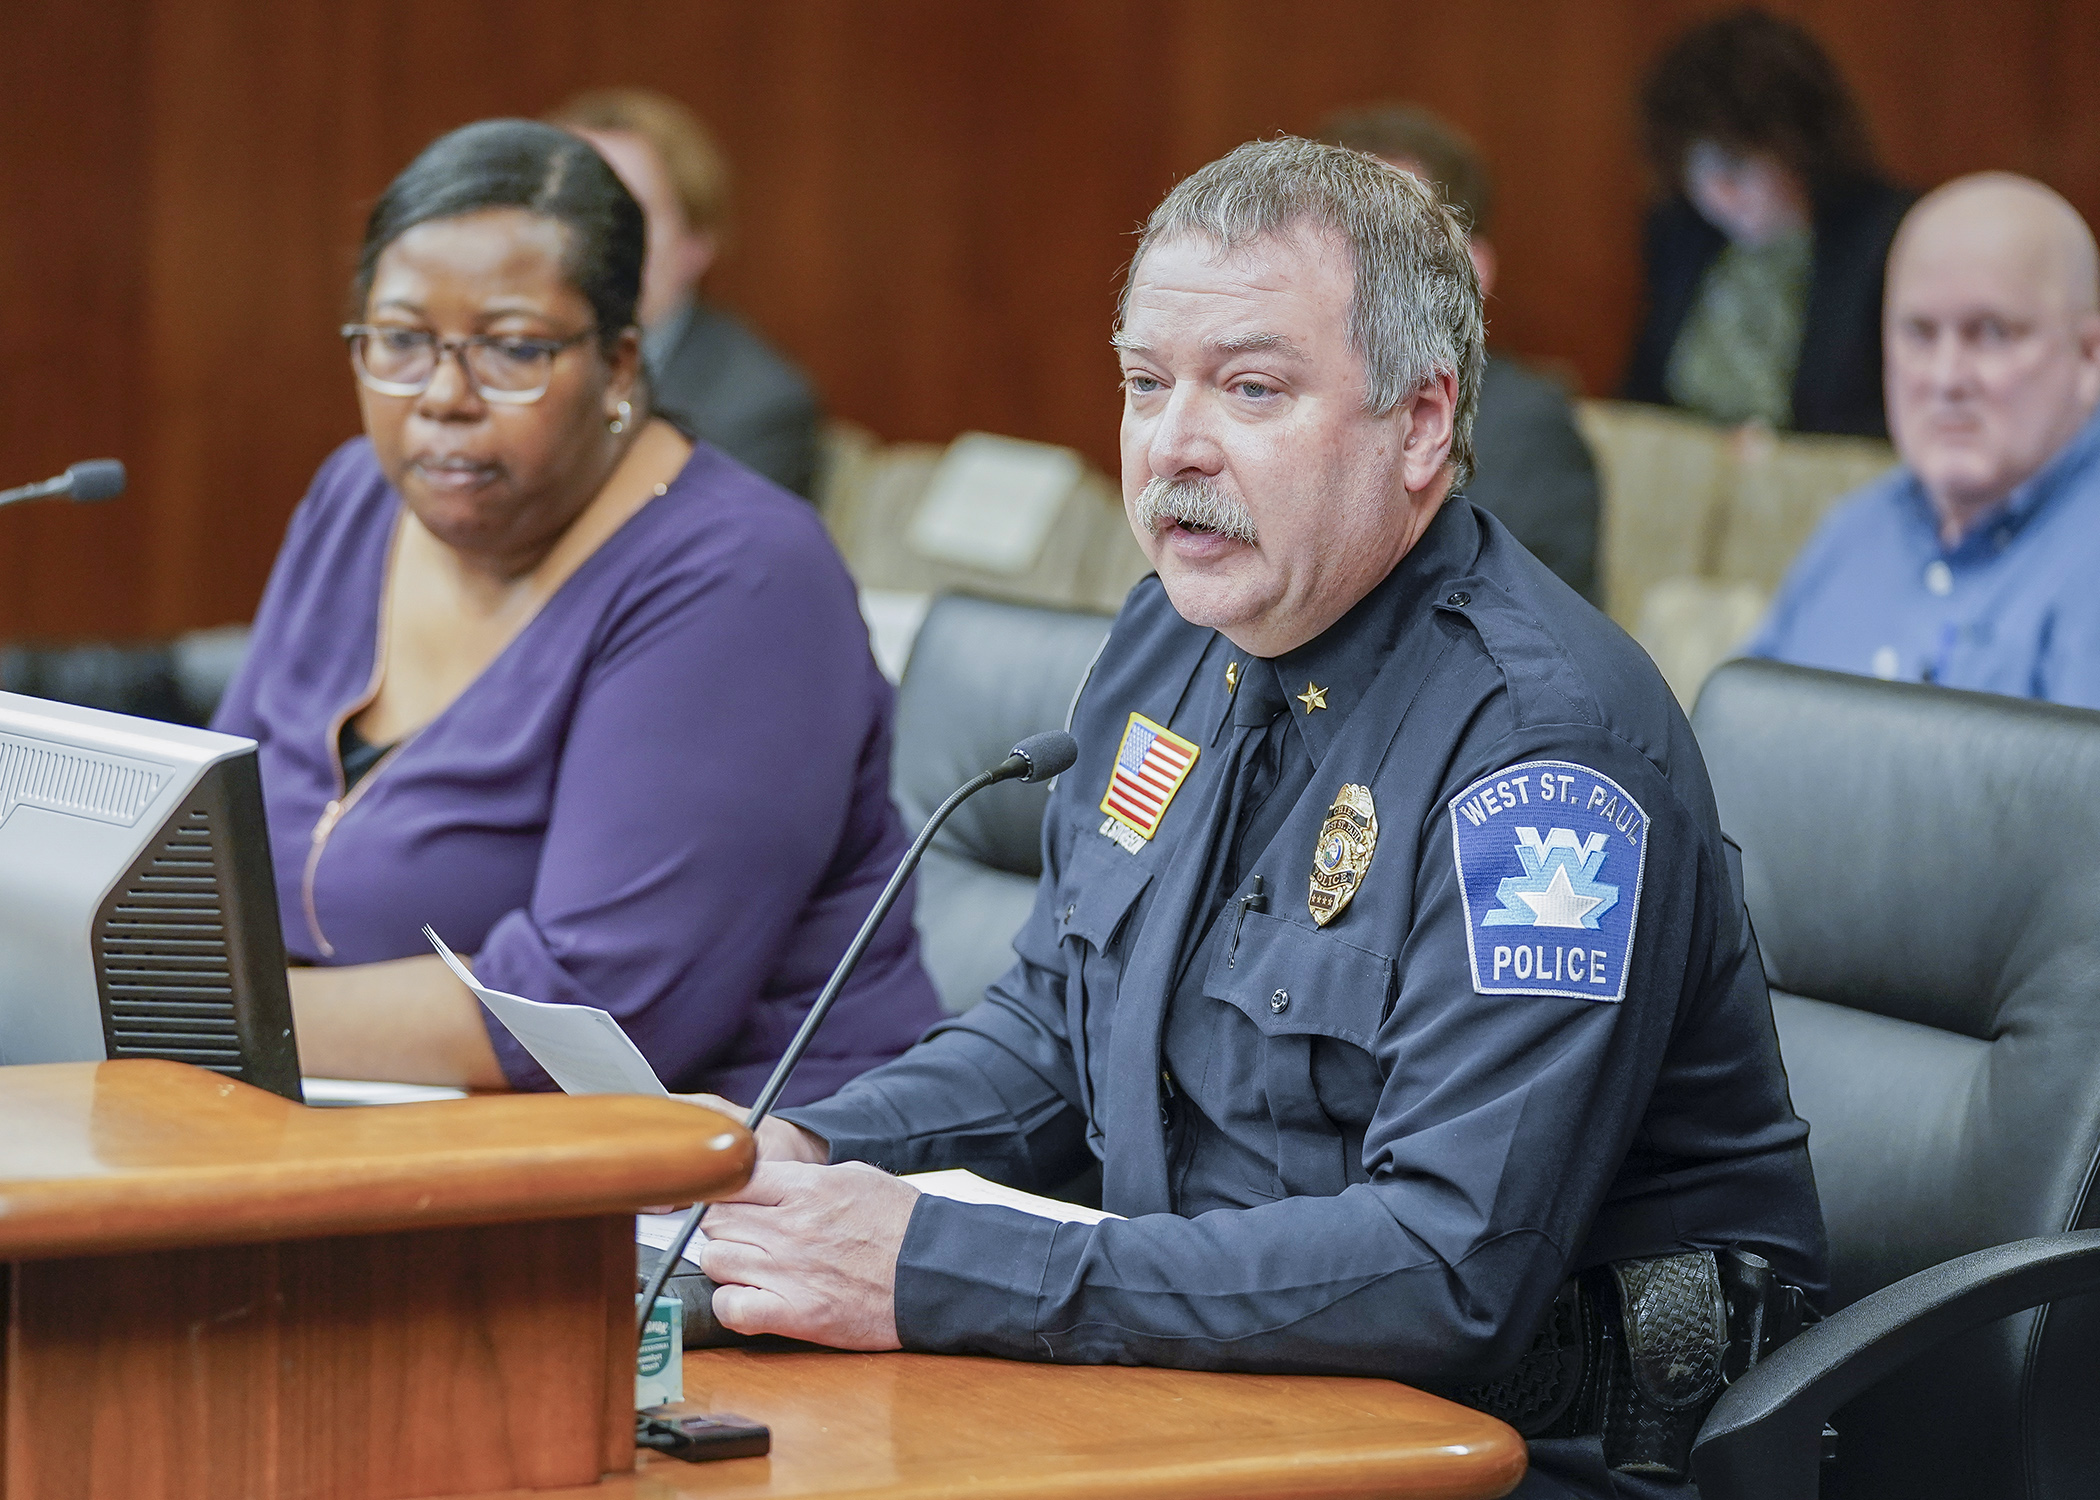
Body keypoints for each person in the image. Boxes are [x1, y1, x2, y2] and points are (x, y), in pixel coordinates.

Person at [685, 138, 1827, 1499]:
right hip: (1206, 1386)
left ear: (1416, 426)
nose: (1174, 443)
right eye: (1145, 383)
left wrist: (930, 1268)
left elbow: (1447, 1267)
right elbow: (1058, 1024)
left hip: (1514, 1452)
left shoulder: (1548, 758)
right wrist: (813, 1150)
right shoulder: (1174, 636)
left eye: (1251, 388)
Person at [212, 119, 940, 1097]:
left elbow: (595, 1016)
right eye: (398, 341)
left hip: (720, 1184)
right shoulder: (357, 497)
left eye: (512, 350)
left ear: (622, 364)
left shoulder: (741, 575)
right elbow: (205, 854)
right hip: (345, 1120)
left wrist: (208, 1014)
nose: (442, 395)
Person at [1747, 174, 2100, 703]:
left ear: (2089, 355)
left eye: (1991, 332)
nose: (1946, 378)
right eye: (1919, 333)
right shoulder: (1851, 533)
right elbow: (1723, 748)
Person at [1320, 103, 1601, 601]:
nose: (1348, 272)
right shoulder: (1270, 400)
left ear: (1471, 272)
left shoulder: (1526, 424)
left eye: (1384, 242)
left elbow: (1498, 617)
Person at [1622, 8, 1914, 438]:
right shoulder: (1681, 232)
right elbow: (1643, 392)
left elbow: (1889, 417)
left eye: (1735, 165)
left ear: (1799, 146)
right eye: (1696, 169)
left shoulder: (1885, 238)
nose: (1716, 194)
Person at [547, 88, 822, 497]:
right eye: (567, 210)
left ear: (696, 245)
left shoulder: (753, 406)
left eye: (626, 215)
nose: (587, 238)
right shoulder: (476, 368)